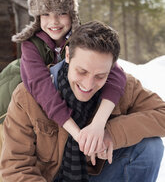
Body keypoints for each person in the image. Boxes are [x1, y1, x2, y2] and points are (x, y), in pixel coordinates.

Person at [0, 20, 165, 182]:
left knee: (151, 147)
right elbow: (15, 168)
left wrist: (111, 134)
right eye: (82, 71)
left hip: (91, 176)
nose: (88, 84)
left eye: (100, 76)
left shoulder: (125, 87)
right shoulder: (26, 98)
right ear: (67, 56)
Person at [11, 0, 126, 156]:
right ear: (37, 16)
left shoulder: (82, 38)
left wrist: (98, 124)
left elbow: (115, 75)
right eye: (46, 14)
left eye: (61, 13)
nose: (54, 21)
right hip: (13, 101)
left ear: (72, 13)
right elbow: (43, 90)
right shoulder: (31, 45)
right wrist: (79, 136)